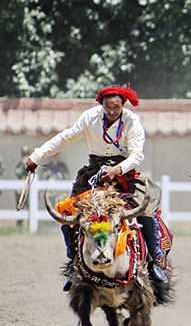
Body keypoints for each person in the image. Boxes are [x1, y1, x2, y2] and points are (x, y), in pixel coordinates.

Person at [23, 85, 168, 286]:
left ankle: (155, 261)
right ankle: (74, 261)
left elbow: (136, 155)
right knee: (67, 210)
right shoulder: (89, 117)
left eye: (115, 107)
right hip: (94, 172)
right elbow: (66, 138)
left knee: (146, 208)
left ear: (122, 105)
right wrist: (37, 156)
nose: (111, 111)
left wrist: (117, 169)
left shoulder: (132, 121)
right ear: (101, 105)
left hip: (125, 172)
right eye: (107, 107)